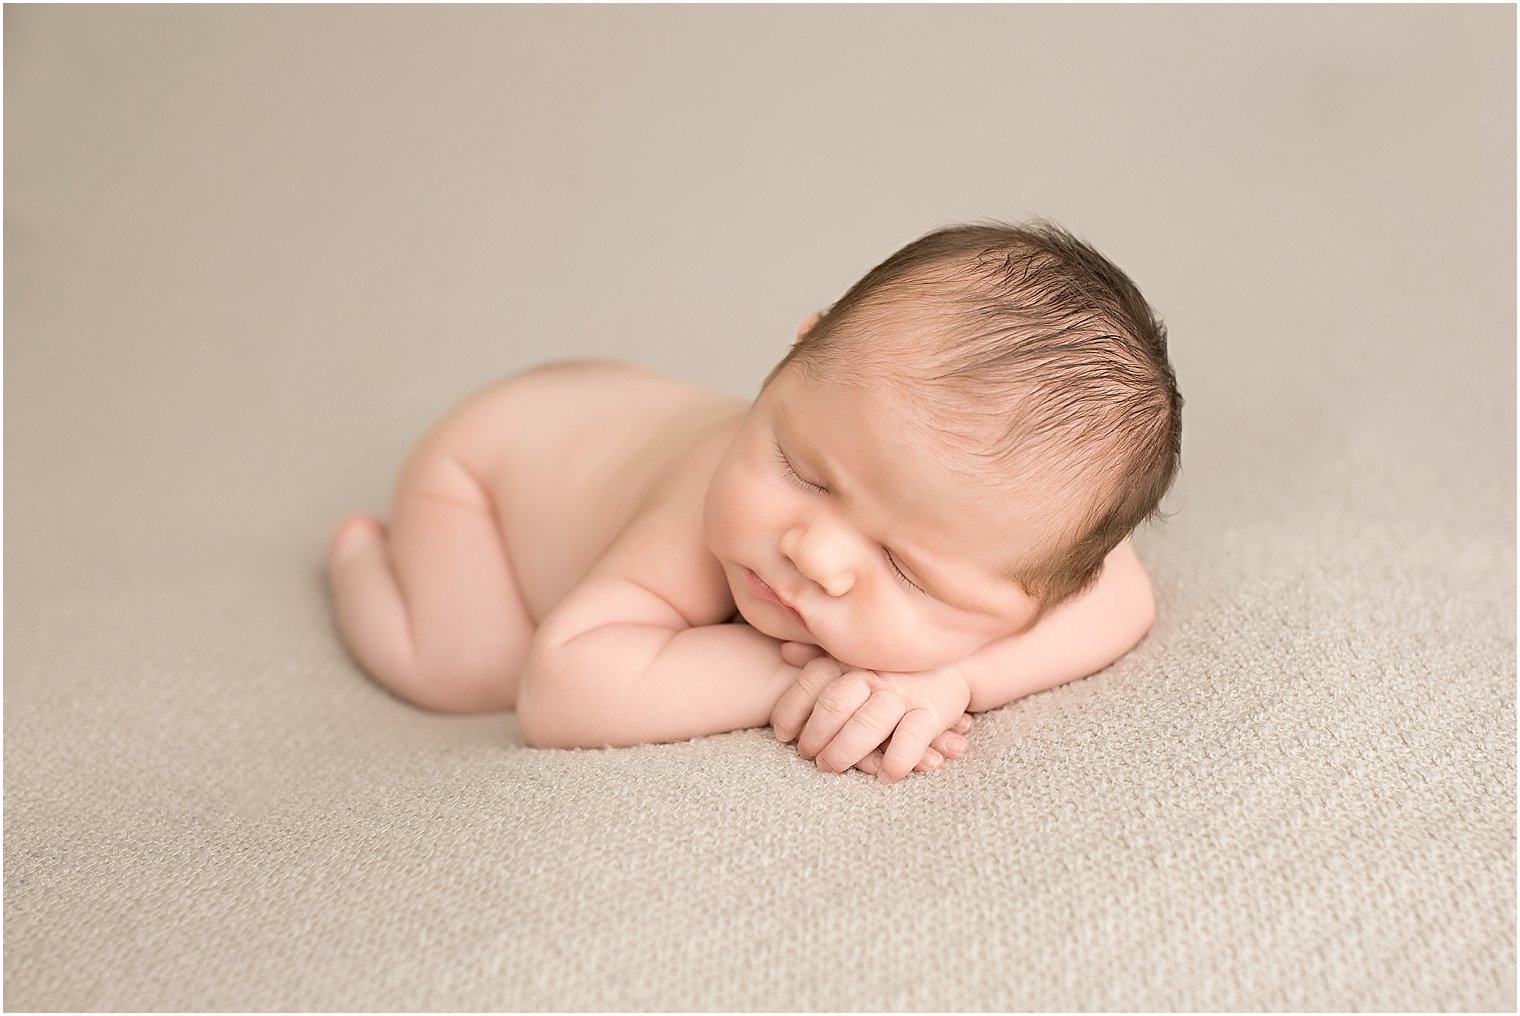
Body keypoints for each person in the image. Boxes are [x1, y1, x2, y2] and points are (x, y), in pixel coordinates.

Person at [326, 221, 1182, 783]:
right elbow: (560, 689)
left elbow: (1123, 596)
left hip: (606, 411)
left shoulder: (1035, 548)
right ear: (792, 356)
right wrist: (817, 673)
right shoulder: (696, 512)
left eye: (904, 568)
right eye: (804, 470)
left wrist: (952, 679)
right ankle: (362, 558)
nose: (813, 551)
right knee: (469, 668)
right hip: (493, 464)